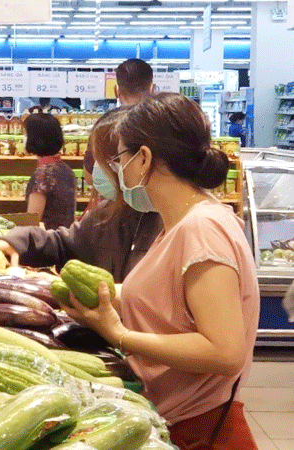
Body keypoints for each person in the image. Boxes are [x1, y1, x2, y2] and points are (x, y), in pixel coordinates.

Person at [64, 93, 259, 450]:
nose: (117, 169)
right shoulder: (180, 222)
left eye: (119, 158)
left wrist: (119, 334)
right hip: (180, 420)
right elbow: (166, 302)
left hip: (201, 431)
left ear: (144, 158)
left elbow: (224, 351)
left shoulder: (201, 229)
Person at [0, 108, 162, 281]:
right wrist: (17, 241)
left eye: (107, 162)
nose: (97, 170)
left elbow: (144, 296)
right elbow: (63, 243)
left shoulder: (171, 226)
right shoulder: (108, 214)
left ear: (143, 160)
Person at [84, 58, 154, 186]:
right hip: (156, 202)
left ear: (117, 91)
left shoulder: (104, 124)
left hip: (113, 202)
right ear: (152, 88)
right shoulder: (162, 121)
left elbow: (89, 178)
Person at [22, 113, 77, 230]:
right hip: (63, 239)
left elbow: (32, 221)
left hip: (47, 242)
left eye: (25, 134)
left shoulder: (43, 175)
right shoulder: (66, 169)